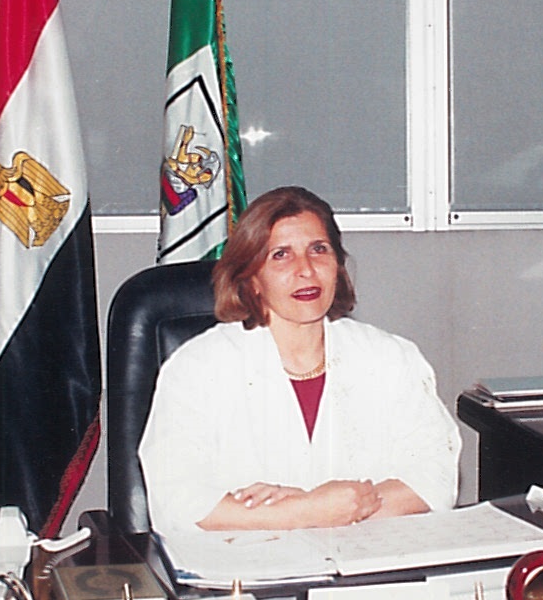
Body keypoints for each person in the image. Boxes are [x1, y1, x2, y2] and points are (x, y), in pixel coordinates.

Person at [139, 186, 460, 534]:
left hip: (365, 567)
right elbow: (177, 504)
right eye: (280, 255)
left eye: (318, 250)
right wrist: (310, 511)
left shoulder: (391, 357)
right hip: (247, 573)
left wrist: (322, 511)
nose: (305, 270)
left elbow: (435, 478)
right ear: (251, 279)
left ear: (337, 265)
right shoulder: (198, 367)